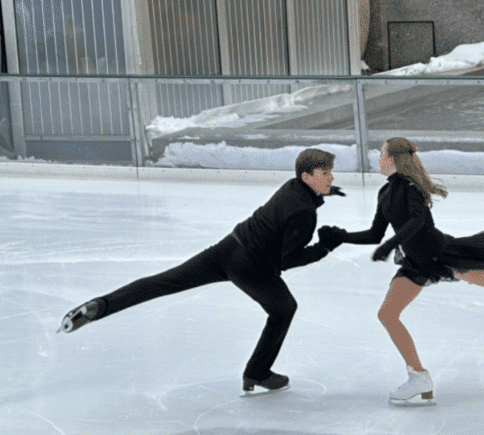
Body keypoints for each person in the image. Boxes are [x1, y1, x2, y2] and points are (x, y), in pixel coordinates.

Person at [319, 137, 484, 403]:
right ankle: (419, 377)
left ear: (394, 159)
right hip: (416, 262)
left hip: (440, 255)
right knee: (388, 314)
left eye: (382, 154)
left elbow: (417, 222)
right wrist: (341, 237)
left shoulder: (412, 188)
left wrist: (391, 244)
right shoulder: (385, 193)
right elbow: (375, 233)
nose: (378, 158)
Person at [58, 148, 345, 393]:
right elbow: (287, 260)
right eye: (325, 174)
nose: (331, 178)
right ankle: (257, 372)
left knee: (165, 281)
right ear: (307, 177)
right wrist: (325, 247)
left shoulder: (291, 187)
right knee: (284, 309)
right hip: (253, 267)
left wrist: (327, 192)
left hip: (229, 249)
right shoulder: (305, 214)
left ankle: (104, 305)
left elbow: (299, 202)